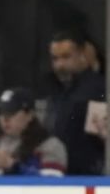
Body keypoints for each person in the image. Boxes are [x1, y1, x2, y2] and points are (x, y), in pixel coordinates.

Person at [40, 30, 105, 174]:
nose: (60, 65)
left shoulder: (97, 89)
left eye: (66, 57)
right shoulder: (53, 89)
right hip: (55, 174)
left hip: (87, 176)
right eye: (55, 59)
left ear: (82, 55)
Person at [0, 87, 67, 176]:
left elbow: (53, 185)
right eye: (2, 112)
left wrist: (12, 166)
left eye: (11, 112)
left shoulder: (50, 146)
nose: (5, 119)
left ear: (30, 115)